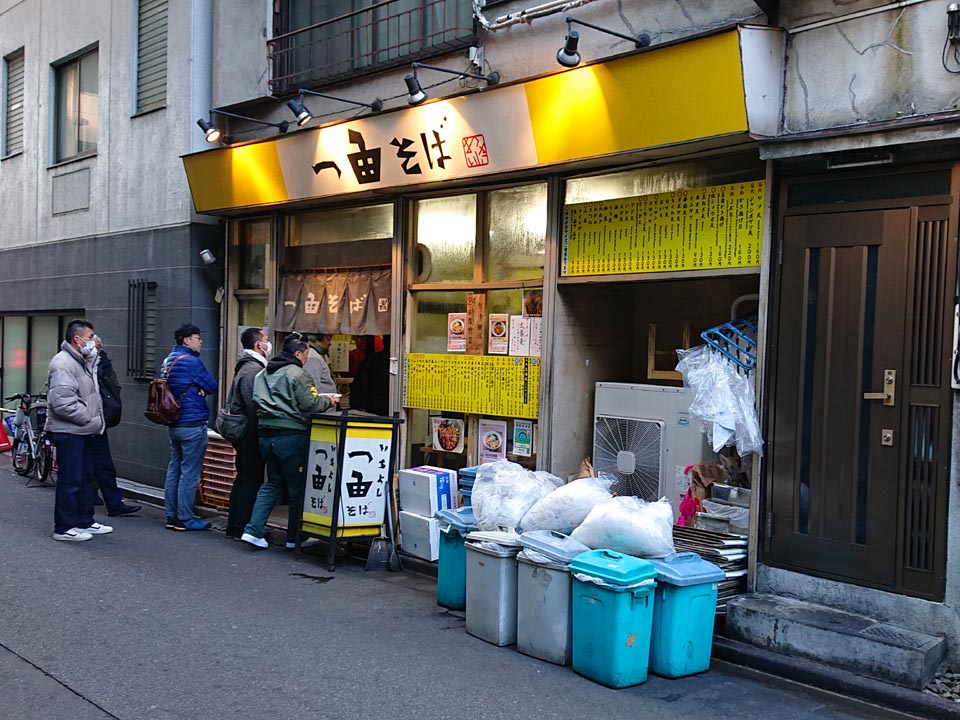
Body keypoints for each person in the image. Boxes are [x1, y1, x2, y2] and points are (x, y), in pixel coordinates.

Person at [241, 333, 337, 550]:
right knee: (297, 488)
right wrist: (328, 401)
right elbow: (309, 403)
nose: (307, 358)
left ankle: (253, 531)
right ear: (298, 353)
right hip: (290, 435)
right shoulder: (297, 374)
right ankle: (294, 537)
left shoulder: (264, 372)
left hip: (265, 434)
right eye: (306, 354)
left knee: (272, 484)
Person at [45, 319, 114, 542]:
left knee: (84, 478)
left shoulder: (84, 361)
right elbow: (62, 402)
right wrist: (88, 418)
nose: (93, 341)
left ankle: (85, 520)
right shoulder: (63, 363)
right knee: (71, 479)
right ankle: (64, 527)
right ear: (77, 339)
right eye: (90, 337)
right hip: (70, 431)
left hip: (82, 430)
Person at [163, 323, 218, 532]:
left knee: (174, 469)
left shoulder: (168, 360)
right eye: (197, 338)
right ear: (187, 340)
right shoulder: (191, 362)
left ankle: (171, 515)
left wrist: (197, 387)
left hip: (174, 421)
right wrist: (200, 388)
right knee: (189, 472)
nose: (201, 342)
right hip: (192, 422)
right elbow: (212, 385)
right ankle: (185, 518)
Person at [224, 327, 270, 539]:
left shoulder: (246, 366)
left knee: (243, 478)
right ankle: (242, 525)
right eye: (266, 339)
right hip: (249, 432)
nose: (268, 343)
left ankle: (234, 525)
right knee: (250, 479)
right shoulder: (253, 370)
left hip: (243, 431)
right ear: (259, 345)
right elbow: (254, 404)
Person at [87, 335, 140, 517]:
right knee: (85, 464)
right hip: (85, 421)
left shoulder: (103, 363)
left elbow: (113, 386)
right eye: (93, 347)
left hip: (98, 420)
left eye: (98, 347)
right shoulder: (78, 365)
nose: (97, 350)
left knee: (104, 463)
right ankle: (92, 500)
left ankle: (113, 502)